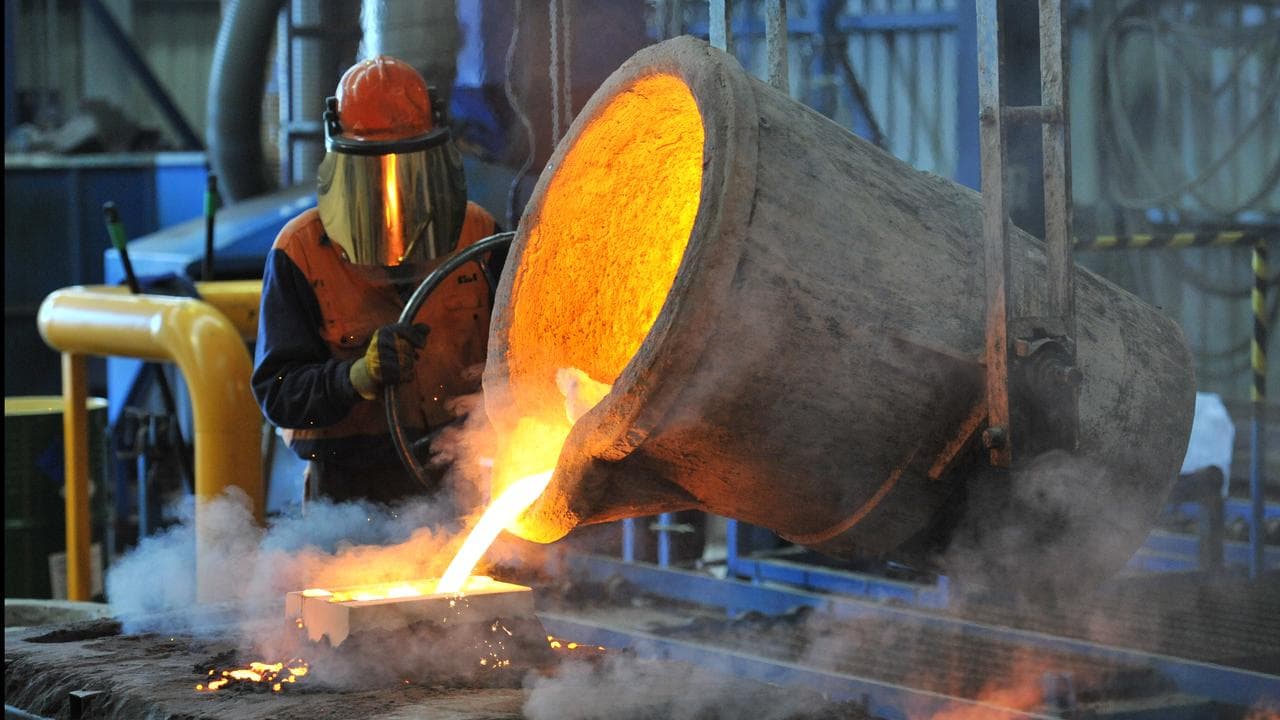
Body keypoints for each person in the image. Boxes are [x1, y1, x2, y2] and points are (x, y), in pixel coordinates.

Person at [252, 55, 503, 506]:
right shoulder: (302, 252)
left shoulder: (478, 235)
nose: (393, 192)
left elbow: (526, 354)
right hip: (351, 489)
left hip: (462, 469)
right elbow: (279, 395)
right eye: (373, 174)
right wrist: (356, 377)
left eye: (411, 171)